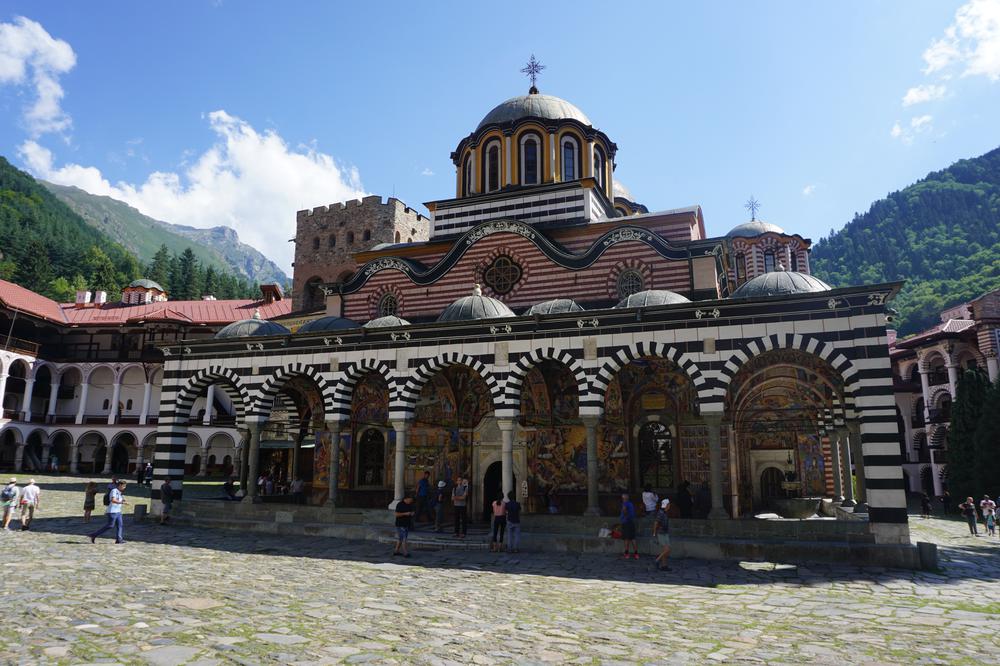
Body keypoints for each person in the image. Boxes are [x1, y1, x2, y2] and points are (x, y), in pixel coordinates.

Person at [89, 480, 127, 544]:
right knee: (110, 525)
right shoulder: (114, 491)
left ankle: (119, 539)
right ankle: (94, 534)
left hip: (118, 511)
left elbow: (118, 499)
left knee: (120, 525)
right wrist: (122, 502)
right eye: (124, 486)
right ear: (120, 485)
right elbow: (113, 500)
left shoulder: (119, 492)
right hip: (112, 511)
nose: (124, 487)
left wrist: (122, 499)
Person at [652, 498, 672, 571]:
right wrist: (654, 532)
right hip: (661, 533)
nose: (670, 505)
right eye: (669, 504)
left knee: (666, 550)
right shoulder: (661, 512)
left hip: (665, 533)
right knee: (667, 549)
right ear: (667, 505)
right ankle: (657, 560)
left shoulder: (665, 512)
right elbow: (656, 522)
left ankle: (664, 566)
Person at [619, 493, 638, 559]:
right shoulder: (631, 504)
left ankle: (626, 553)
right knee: (633, 538)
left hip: (626, 522)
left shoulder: (625, 504)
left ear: (624, 498)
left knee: (626, 539)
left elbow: (624, 510)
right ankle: (636, 554)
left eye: (623, 498)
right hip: (631, 522)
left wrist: (626, 516)